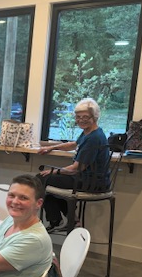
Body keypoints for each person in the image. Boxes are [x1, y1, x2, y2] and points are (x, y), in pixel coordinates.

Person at [38, 98, 110, 231]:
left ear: (94, 117)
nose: (81, 120)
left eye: (85, 117)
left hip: (93, 182)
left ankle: (58, 220)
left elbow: (76, 169)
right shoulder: (89, 132)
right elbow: (73, 144)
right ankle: (71, 220)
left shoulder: (94, 138)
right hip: (88, 179)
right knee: (48, 185)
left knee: (42, 179)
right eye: (78, 117)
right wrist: (52, 148)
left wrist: (53, 171)